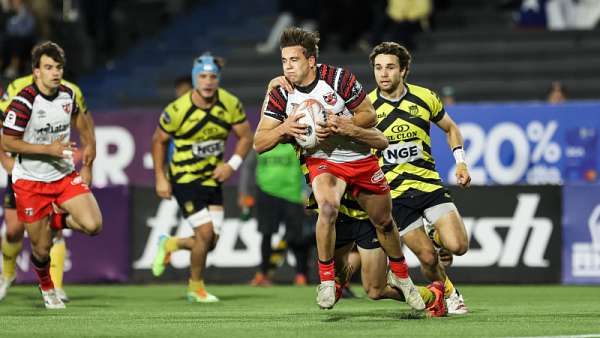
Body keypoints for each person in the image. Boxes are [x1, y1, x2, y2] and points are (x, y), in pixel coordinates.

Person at [254, 27, 424, 310]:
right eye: (284, 61)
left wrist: (346, 125)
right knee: (328, 208)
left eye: (293, 60)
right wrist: (284, 128)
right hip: (322, 160)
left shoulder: (338, 78)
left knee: (383, 221)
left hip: (357, 155)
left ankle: (403, 277)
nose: (288, 67)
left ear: (310, 61)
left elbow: (369, 115)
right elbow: (259, 142)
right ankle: (326, 279)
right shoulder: (281, 92)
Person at [369, 42, 470, 314]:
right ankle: (450, 294)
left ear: (404, 70)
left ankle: (437, 237)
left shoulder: (425, 98)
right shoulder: (366, 108)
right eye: (378, 68)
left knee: (458, 246)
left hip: (429, 186)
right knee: (426, 258)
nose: (383, 73)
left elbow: (451, 128)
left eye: (390, 67)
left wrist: (460, 163)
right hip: (396, 196)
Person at [1, 41, 100, 309]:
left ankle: (54, 220)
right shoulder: (22, 102)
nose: (55, 73)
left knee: (93, 225)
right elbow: (8, 142)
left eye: (58, 67)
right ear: (36, 72)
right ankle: (47, 287)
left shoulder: (69, 94)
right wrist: (48, 149)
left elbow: (85, 125)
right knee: (41, 249)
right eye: (48, 67)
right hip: (30, 181)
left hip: (63, 176)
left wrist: (89, 159)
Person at [151, 53, 253, 303]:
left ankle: (171, 244)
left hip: (213, 179)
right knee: (205, 233)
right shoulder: (177, 110)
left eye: (212, 77)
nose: (208, 82)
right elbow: (158, 141)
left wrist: (232, 165)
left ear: (218, 79)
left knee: (212, 242)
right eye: (203, 77)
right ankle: (195, 288)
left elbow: (246, 136)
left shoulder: (229, 104)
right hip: (184, 179)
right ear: (196, 79)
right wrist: (160, 178)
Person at [239, 145, 310, 286]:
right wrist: (244, 192)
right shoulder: (261, 140)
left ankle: (301, 274)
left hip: (293, 194)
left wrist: (307, 192)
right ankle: (263, 274)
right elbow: (248, 167)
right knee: (266, 234)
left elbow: (307, 166)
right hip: (266, 193)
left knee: (297, 237)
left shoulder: (295, 140)